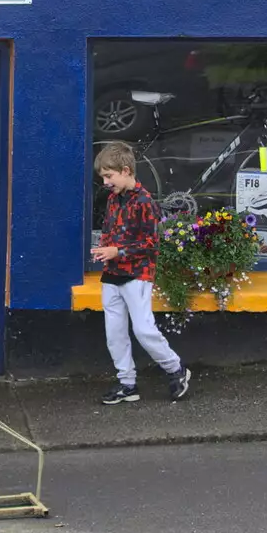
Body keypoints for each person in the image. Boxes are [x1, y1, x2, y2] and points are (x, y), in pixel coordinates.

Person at [89, 141, 192, 405]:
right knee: (115, 332)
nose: (105, 182)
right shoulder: (113, 199)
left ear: (125, 171)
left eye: (108, 176)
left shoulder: (146, 203)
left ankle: (176, 369)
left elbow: (150, 244)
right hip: (112, 275)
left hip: (137, 274)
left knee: (144, 330)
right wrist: (104, 249)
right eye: (102, 176)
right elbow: (111, 231)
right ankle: (127, 383)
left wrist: (117, 251)